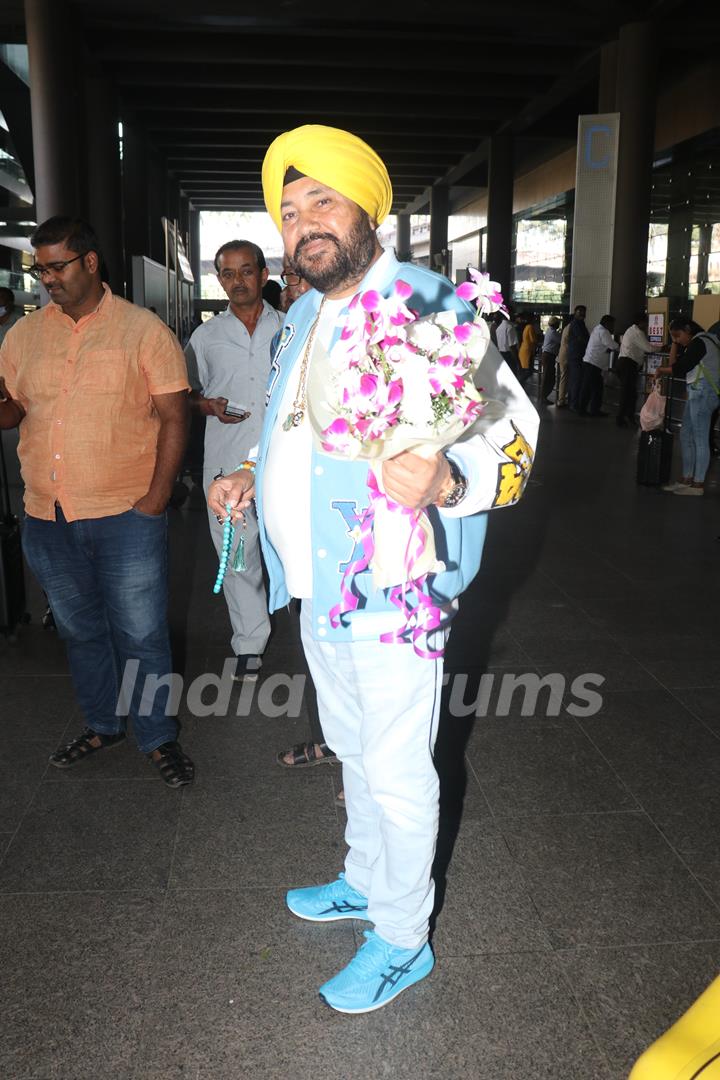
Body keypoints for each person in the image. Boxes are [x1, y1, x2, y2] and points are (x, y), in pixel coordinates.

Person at [208, 124, 539, 1014]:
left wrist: (449, 474)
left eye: (322, 201)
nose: (304, 223)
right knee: (354, 749)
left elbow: (517, 440)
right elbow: (291, 425)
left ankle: (403, 937)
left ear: (367, 210)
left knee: (398, 770)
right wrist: (246, 474)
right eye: (289, 209)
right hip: (318, 586)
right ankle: (364, 879)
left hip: (395, 590)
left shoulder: (432, 302)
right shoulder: (305, 313)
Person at [0, 217, 194, 787]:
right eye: (41, 269)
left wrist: (157, 500)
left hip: (126, 513)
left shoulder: (143, 330)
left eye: (57, 266)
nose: (47, 279)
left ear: (90, 262)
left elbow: (174, 418)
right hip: (47, 515)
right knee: (80, 630)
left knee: (142, 633)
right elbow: (14, 409)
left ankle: (157, 736)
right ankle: (103, 723)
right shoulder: (24, 335)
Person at [185, 241, 282, 681]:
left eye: (247, 271)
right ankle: (249, 643)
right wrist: (207, 405)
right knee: (239, 553)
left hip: (284, 459)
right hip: (226, 464)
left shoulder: (290, 328)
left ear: (263, 275)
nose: (237, 280)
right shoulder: (205, 337)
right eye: (228, 273)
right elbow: (183, 396)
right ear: (219, 279)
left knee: (293, 547)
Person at [656, 318, 720, 495]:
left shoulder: (700, 342)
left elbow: (679, 367)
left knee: (699, 438)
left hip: (703, 393)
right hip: (699, 392)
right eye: (674, 337)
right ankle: (687, 478)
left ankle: (697, 484)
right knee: (686, 434)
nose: (677, 340)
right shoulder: (705, 340)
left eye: (678, 335)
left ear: (687, 329)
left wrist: (660, 370)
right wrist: (675, 343)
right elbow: (675, 364)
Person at [616, 314, 663, 427]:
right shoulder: (637, 332)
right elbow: (649, 348)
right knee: (628, 393)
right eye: (646, 323)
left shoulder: (631, 330)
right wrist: (662, 347)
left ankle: (626, 417)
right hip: (628, 365)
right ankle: (623, 418)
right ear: (641, 322)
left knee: (629, 393)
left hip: (624, 363)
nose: (647, 326)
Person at [579, 314, 617, 417]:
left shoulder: (597, 329)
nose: (613, 326)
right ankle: (592, 410)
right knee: (596, 388)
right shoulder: (604, 332)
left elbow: (606, 345)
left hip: (589, 362)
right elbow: (612, 345)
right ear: (607, 323)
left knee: (589, 387)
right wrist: (617, 346)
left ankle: (585, 409)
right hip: (593, 364)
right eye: (612, 324)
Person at [566, 304, 589, 410]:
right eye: (580, 312)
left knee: (574, 379)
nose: (582, 314)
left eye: (583, 312)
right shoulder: (576, 324)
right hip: (576, 355)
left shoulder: (580, 323)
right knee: (576, 379)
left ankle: (572, 401)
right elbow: (581, 338)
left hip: (576, 354)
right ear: (575, 313)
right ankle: (573, 404)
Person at [539, 316, 561, 402]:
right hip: (549, 356)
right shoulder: (553, 333)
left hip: (547, 355)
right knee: (548, 377)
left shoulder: (549, 331)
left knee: (548, 376)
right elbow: (561, 340)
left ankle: (543, 397)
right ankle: (543, 397)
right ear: (555, 324)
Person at [495, 309, 520, 379]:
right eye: (512, 313)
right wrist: (518, 362)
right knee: (512, 377)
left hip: (500, 355)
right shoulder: (510, 327)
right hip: (509, 356)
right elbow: (512, 346)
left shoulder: (498, 328)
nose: (514, 316)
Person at [518, 311, 538, 386]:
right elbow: (533, 340)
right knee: (528, 371)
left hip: (524, 350)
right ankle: (519, 383)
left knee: (525, 370)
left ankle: (521, 383)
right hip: (527, 351)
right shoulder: (530, 327)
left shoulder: (526, 327)